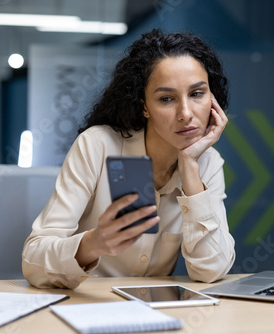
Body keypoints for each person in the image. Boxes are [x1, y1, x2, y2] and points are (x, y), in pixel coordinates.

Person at [22, 29, 236, 289]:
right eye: (166, 99)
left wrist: (190, 167)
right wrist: (93, 244)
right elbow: (32, 261)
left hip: (156, 316)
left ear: (213, 100)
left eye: (197, 94)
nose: (186, 113)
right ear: (144, 105)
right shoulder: (98, 145)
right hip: (86, 311)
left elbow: (210, 270)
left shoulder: (208, 163)